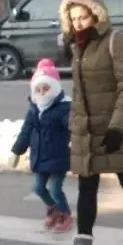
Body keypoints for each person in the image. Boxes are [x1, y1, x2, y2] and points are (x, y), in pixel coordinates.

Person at [56, 0, 123, 245]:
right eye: (73, 20)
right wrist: (74, 124)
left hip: (115, 126)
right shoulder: (78, 46)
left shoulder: (118, 41)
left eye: (83, 17)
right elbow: (80, 92)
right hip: (88, 129)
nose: (78, 24)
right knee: (87, 185)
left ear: (97, 14)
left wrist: (117, 127)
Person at [9, 59, 73, 233]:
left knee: (54, 188)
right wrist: (16, 151)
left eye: (46, 88)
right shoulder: (33, 109)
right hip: (40, 157)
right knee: (38, 188)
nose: (42, 93)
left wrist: (74, 125)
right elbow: (26, 131)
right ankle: (53, 208)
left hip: (58, 157)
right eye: (38, 89)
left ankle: (65, 214)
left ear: (55, 88)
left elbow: (70, 123)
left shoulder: (64, 107)